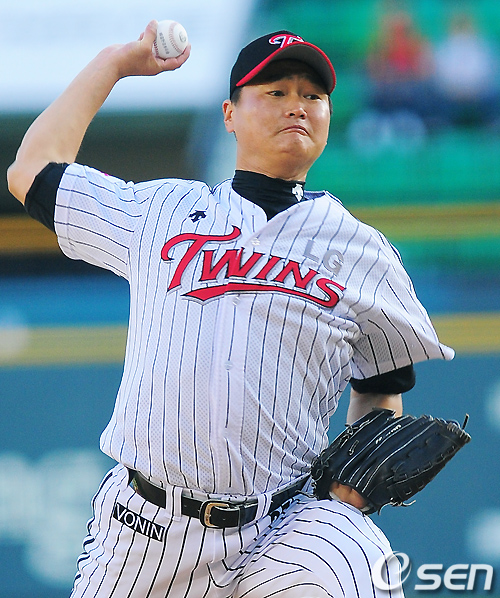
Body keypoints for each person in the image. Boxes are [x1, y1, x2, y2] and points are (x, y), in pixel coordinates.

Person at [7, 22, 454, 597]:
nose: (296, 105)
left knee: (360, 557)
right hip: (146, 531)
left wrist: (349, 499)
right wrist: (114, 64)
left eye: (312, 95)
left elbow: (382, 388)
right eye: (275, 91)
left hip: (283, 525)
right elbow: (31, 171)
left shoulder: (363, 252)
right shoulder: (162, 210)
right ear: (229, 114)